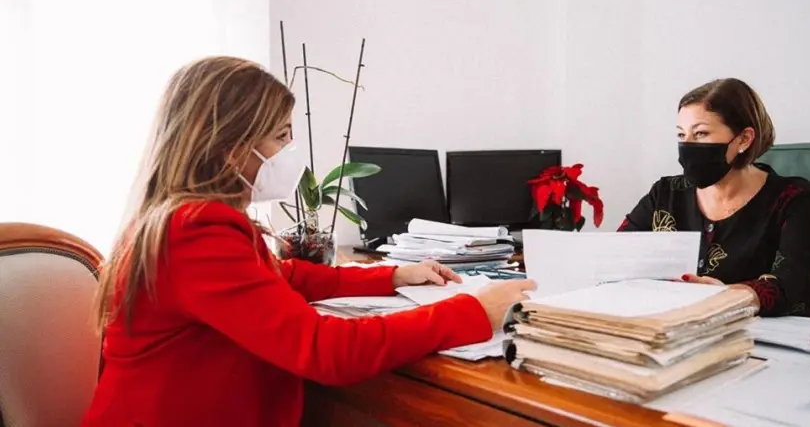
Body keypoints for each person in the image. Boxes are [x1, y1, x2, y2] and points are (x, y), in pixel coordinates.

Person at [82, 56, 536, 426]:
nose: (289, 151)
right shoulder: (194, 232)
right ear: (228, 146)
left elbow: (285, 275)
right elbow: (324, 350)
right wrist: (475, 310)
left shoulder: (176, 220)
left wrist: (394, 274)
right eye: (280, 136)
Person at [618, 78, 810, 317]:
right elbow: (618, 257)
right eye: (681, 135)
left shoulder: (799, 201)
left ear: (744, 139)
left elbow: (800, 285)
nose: (687, 146)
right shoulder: (665, 194)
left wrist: (729, 297)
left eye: (700, 133)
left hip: (762, 339)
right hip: (671, 332)